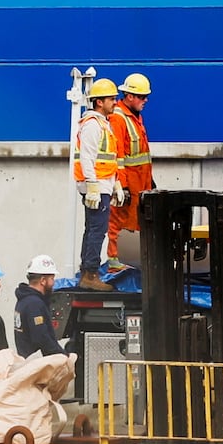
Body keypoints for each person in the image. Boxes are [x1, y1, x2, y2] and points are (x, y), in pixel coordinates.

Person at [73, 77, 124, 291]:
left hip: (102, 185)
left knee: (93, 229)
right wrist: (93, 186)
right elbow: (87, 157)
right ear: (99, 102)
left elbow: (107, 159)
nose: (114, 102)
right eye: (111, 99)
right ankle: (90, 274)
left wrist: (115, 185)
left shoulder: (103, 124)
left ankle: (88, 271)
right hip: (96, 187)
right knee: (97, 230)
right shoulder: (93, 125)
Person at [106, 72, 154, 273]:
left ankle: (131, 259)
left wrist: (150, 181)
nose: (146, 100)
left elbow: (140, 155)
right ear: (130, 96)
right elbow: (118, 156)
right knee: (119, 220)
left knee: (135, 222)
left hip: (140, 181)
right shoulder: (119, 118)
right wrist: (122, 186)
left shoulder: (134, 117)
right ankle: (114, 261)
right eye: (142, 97)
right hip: (128, 182)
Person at [13, 255, 63, 357]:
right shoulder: (34, 304)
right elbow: (42, 339)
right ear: (43, 280)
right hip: (37, 365)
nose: (54, 283)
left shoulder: (24, 300)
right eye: (52, 279)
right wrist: (63, 357)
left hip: (29, 363)